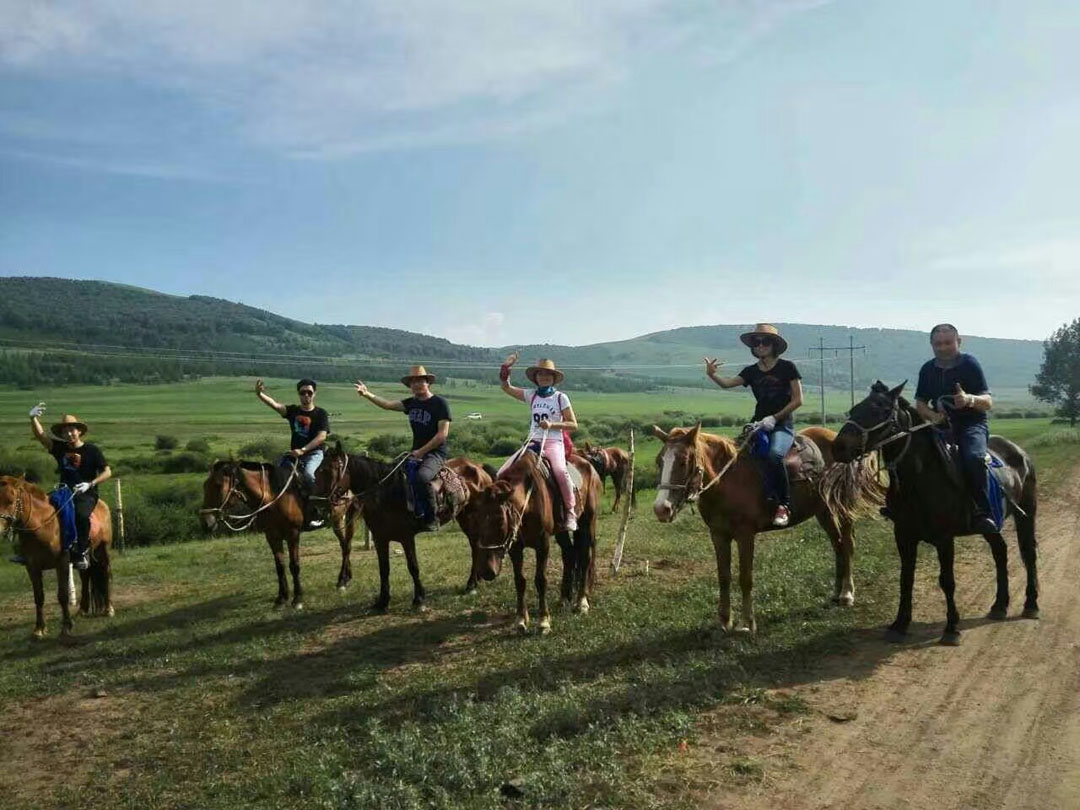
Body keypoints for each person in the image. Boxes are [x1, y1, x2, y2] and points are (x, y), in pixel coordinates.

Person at [704, 323, 804, 527]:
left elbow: (798, 400)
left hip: (782, 425)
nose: (760, 345)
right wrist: (712, 374)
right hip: (758, 424)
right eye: (756, 342)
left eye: (765, 341)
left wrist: (775, 418)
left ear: (773, 345)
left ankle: (783, 505)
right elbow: (727, 384)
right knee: (737, 458)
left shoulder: (787, 367)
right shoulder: (751, 371)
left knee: (775, 455)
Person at [913, 323, 997, 534]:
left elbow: (988, 402)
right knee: (912, 455)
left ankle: (982, 511)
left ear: (959, 342)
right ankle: (907, 507)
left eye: (948, 343)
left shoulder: (969, 364)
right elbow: (920, 403)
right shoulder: (927, 369)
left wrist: (969, 399)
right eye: (938, 343)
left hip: (971, 425)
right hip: (940, 426)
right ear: (931, 344)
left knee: (973, 458)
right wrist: (933, 416)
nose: (942, 347)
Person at [354, 366, 451, 532]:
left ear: (428, 383)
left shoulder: (439, 404)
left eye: (420, 380)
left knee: (422, 477)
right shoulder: (411, 403)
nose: (416, 384)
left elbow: (442, 435)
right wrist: (366, 394)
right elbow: (387, 405)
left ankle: (431, 517)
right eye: (413, 382)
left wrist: (421, 452)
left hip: (435, 453)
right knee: (391, 474)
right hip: (415, 452)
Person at [498, 354, 579, 531]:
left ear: (553, 378)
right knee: (502, 471)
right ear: (536, 377)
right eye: (541, 374)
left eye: (548, 375)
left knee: (559, 471)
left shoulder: (560, 398)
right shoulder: (531, 395)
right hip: (532, 442)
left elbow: (573, 424)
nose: (544, 377)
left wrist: (553, 424)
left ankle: (571, 512)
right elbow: (506, 387)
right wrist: (506, 368)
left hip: (553, 442)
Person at [28, 405, 111, 570]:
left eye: (72, 430)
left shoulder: (92, 450)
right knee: (37, 510)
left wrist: (90, 484)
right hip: (63, 490)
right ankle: (30, 550)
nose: (69, 434)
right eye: (65, 432)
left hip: (86, 493)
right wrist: (33, 418)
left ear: (79, 431)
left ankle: (81, 551)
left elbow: (107, 471)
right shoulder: (60, 448)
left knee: (80, 515)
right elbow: (41, 436)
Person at [255, 378, 329, 528]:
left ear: (314, 394)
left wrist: (303, 450)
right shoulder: (293, 411)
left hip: (313, 453)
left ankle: (315, 513)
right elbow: (275, 405)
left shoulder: (321, 413)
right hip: (294, 454)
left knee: (308, 474)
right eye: (303, 392)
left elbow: (322, 436)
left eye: (309, 392)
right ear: (299, 394)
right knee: (276, 475)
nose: (306, 395)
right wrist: (260, 394)